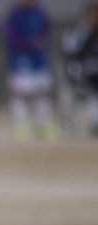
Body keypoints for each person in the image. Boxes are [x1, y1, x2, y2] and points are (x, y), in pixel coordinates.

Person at [4, 0, 57, 142]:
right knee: (19, 95)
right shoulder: (12, 15)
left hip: (39, 63)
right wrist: (30, 44)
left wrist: (40, 41)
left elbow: (47, 30)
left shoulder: (40, 12)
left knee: (43, 94)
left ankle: (44, 124)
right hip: (19, 64)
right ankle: (21, 126)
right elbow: (11, 38)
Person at [62, 3, 98, 136]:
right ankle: (72, 121)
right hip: (85, 75)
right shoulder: (79, 33)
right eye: (93, 15)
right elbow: (69, 54)